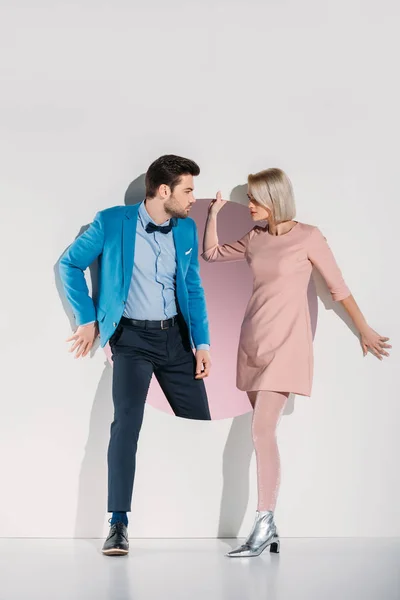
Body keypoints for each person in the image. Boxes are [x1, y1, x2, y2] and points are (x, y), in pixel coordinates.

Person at [202, 168, 391, 557]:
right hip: (253, 341)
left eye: (254, 198)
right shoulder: (254, 239)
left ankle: (264, 521)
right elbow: (211, 254)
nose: (249, 205)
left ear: (274, 199)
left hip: (288, 345)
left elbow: (338, 288)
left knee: (260, 431)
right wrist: (214, 215)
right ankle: (271, 527)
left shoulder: (309, 236)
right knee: (263, 434)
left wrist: (364, 329)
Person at [59, 155, 212, 556]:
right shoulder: (112, 222)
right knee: (125, 427)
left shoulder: (186, 229)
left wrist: (202, 343)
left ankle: (205, 515)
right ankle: (118, 523)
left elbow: (192, 288)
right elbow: (69, 264)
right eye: (188, 190)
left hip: (176, 340)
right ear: (164, 191)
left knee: (200, 417)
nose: (194, 198)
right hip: (130, 341)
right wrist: (87, 318)